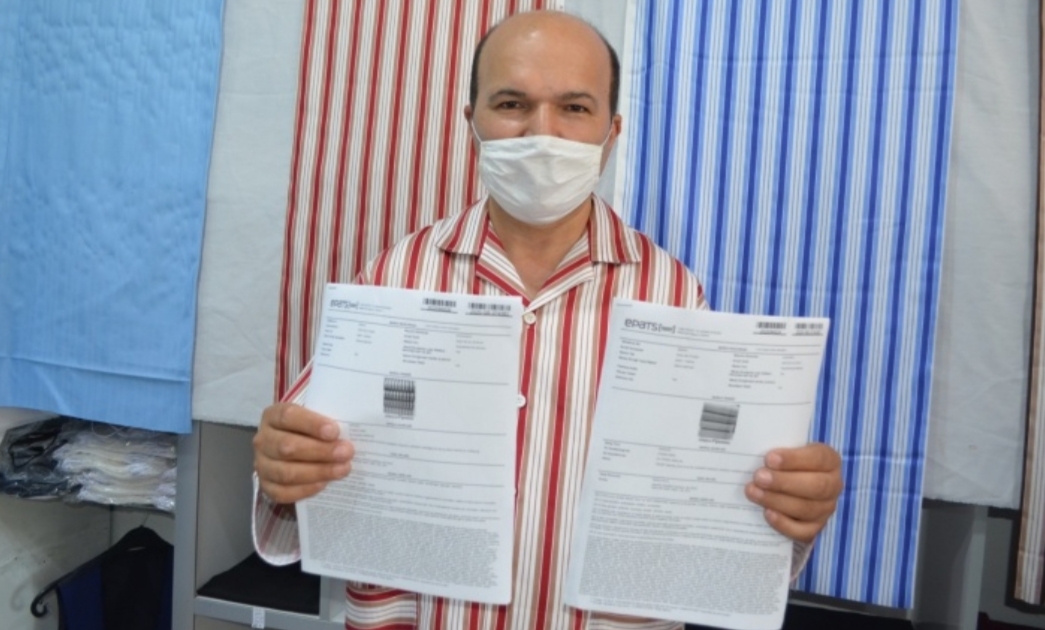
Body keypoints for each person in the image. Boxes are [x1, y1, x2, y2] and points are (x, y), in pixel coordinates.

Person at [252, 10, 843, 630]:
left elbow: (708, 509)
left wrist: (786, 507)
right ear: (471, 122)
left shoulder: (671, 293)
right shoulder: (393, 275)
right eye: (512, 103)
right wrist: (284, 467)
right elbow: (300, 477)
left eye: (575, 108)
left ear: (612, 132)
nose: (543, 132)